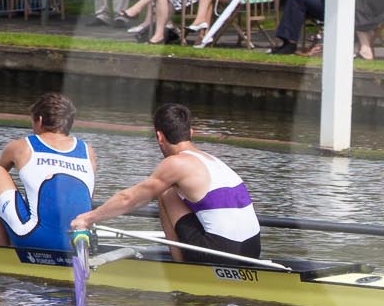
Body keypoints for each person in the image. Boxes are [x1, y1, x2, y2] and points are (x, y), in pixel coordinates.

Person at [71, 103, 263, 262]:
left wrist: (89, 218)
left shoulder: (176, 163)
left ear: (159, 136)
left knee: (166, 193)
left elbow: (129, 199)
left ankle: (179, 268)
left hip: (222, 253)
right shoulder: (213, 160)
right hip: (252, 250)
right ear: (191, 132)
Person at [0, 93, 96, 255]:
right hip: (77, 240)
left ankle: (1, 251)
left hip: (36, 238)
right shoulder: (87, 151)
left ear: (39, 120)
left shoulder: (21, 146)